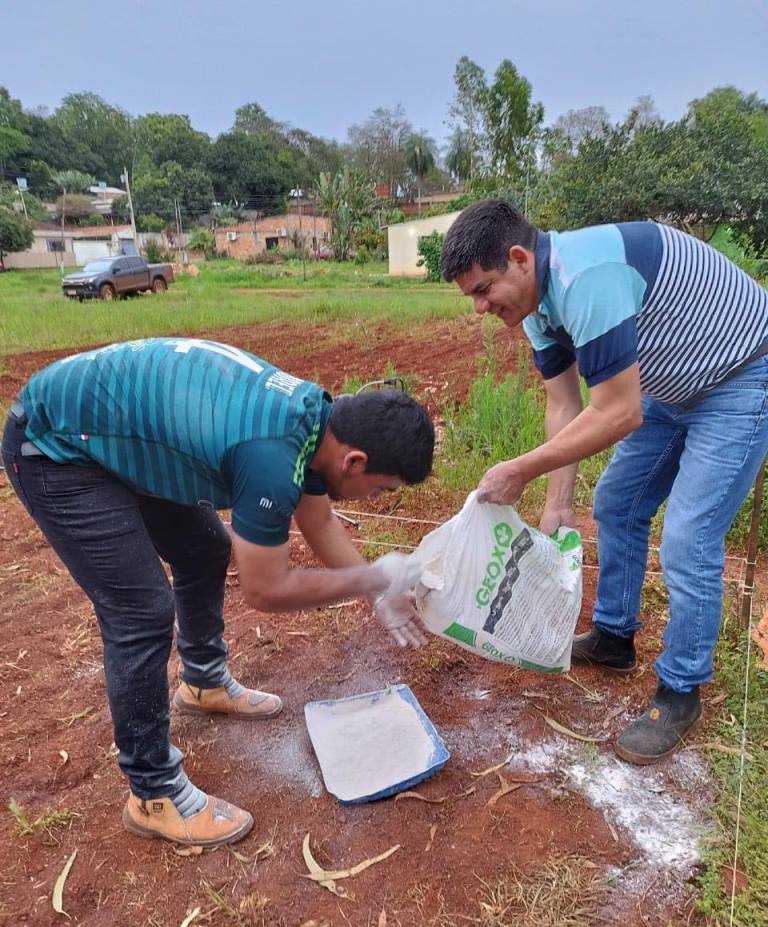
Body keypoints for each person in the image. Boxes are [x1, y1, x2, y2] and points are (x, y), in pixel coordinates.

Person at [3, 338, 435, 846]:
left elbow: (318, 522)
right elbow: (266, 588)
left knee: (206, 547)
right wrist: (371, 578)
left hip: (115, 430)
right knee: (141, 611)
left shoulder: (318, 425)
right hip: (58, 445)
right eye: (383, 490)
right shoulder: (271, 453)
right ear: (355, 462)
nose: (377, 500)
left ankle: (203, 682)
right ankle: (153, 793)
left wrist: (377, 594)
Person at [442, 199, 768, 765]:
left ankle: (681, 690)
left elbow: (617, 413)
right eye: (471, 295)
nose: (479, 307)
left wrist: (521, 468)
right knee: (616, 503)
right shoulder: (536, 305)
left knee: (689, 540)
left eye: (483, 289)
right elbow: (564, 401)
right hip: (669, 388)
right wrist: (556, 503)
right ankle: (614, 639)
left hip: (740, 377)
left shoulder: (586, 278)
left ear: (520, 258)